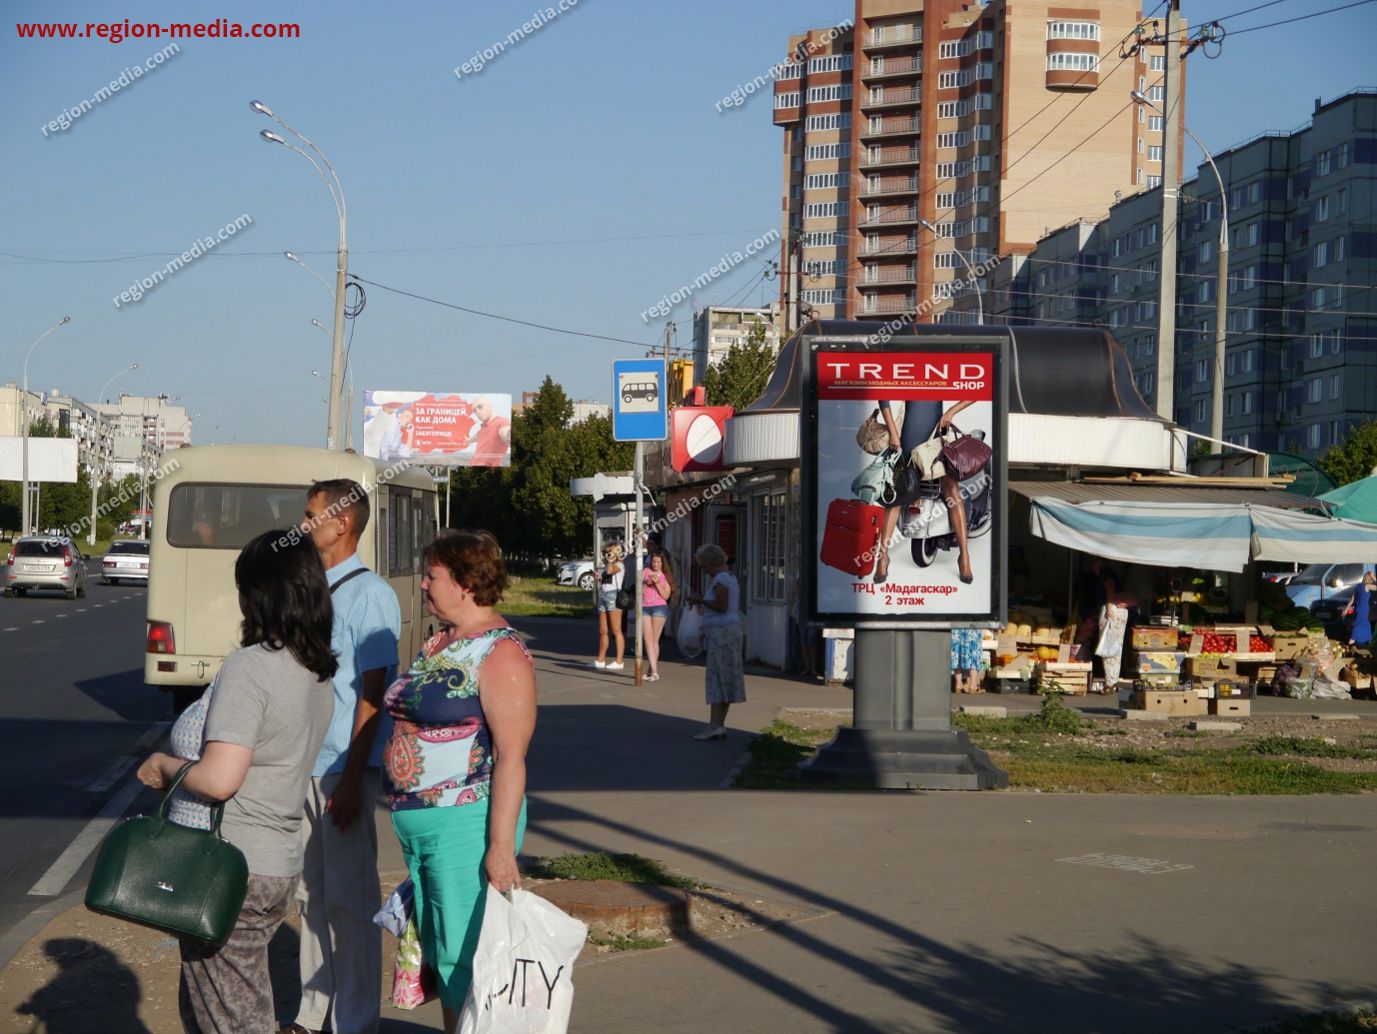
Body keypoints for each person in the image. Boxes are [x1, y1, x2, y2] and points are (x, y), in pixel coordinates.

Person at [136, 530, 336, 1034]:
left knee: (235, 1021)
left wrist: (164, 768)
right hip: (275, 862)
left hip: (229, 867)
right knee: (215, 1010)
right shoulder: (312, 669)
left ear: (260, 593)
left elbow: (220, 779)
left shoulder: (253, 667)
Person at [382, 530, 536, 1034]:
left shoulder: (500, 653)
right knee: (446, 958)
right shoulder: (440, 641)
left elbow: (512, 758)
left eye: (433, 576)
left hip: (464, 826)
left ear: (467, 583)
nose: (423, 585)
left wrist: (499, 847)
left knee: (470, 961)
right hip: (427, 828)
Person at [284, 480, 402, 1034]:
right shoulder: (311, 590)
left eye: (311, 516)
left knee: (351, 904)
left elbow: (373, 695)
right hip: (303, 765)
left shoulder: (370, 594)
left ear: (342, 524)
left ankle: (355, 1021)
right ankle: (312, 1014)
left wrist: (354, 778)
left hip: (341, 771)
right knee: (310, 897)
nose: (303, 525)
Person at [878, 399, 975, 586]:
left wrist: (951, 412)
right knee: (896, 499)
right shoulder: (906, 370)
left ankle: (964, 557)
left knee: (953, 494)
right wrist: (892, 433)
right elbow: (883, 396)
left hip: (937, 435)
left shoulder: (940, 370)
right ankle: (883, 557)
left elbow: (976, 392)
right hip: (908, 437)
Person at [687, 544, 743, 740]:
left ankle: (714, 725)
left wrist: (701, 600)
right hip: (727, 631)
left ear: (710, 563)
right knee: (724, 677)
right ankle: (718, 724)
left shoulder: (720, 580)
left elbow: (721, 606)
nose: (703, 569)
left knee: (717, 677)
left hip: (722, 633)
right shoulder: (729, 577)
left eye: (703, 565)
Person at [641, 548, 674, 681]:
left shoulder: (665, 575)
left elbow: (666, 595)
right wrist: (645, 583)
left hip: (659, 608)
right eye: (653, 561)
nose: (655, 564)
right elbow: (639, 591)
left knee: (654, 640)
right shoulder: (645, 571)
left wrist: (657, 582)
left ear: (663, 563)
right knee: (647, 640)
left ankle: (653, 671)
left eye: (658, 562)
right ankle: (652, 671)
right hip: (644, 607)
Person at [592, 543, 625, 670]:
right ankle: (600, 660)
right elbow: (606, 580)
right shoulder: (607, 565)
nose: (607, 554)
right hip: (603, 596)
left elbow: (611, 571)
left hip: (614, 597)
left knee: (616, 630)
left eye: (610, 552)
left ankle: (619, 660)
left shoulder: (619, 565)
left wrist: (611, 560)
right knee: (603, 630)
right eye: (606, 552)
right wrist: (599, 578)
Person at [465, 398, 512, 467]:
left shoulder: (501, 422)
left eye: (480, 407)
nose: (477, 412)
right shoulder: (482, 429)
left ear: (489, 406)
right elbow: (475, 437)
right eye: (475, 410)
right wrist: (467, 440)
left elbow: (505, 433)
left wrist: (508, 435)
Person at [950, 627, 986, 693]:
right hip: (972, 621)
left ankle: (958, 684)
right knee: (973, 649)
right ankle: (973, 685)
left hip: (957, 621)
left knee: (957, 650)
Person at [1350, 570, 1375, 647]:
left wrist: (1346, 609)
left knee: (1364, 625)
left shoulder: (1358, 586)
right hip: (1365, 610)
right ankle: (1352, 640)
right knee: (1361, 625)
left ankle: (1369, 642)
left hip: (1358, 609)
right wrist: (1374, 577)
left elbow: (1352, 599)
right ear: (1370, 578)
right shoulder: (1367, 586)